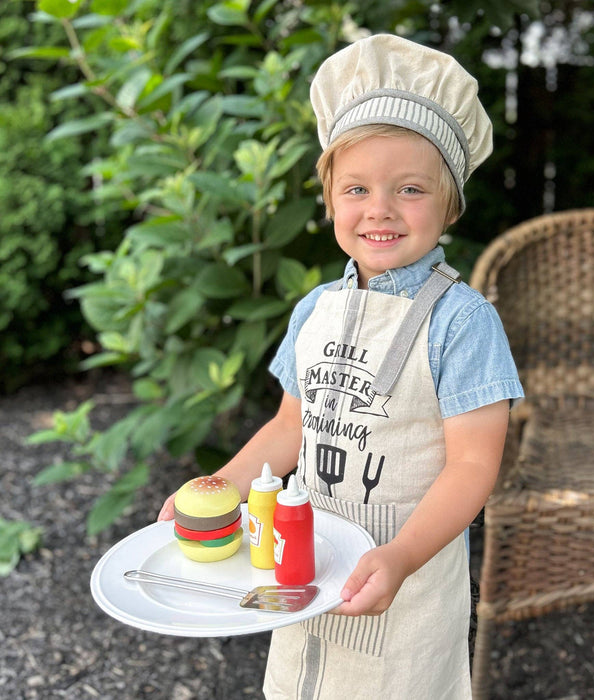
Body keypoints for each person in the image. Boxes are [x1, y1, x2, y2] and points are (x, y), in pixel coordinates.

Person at [158, 33, 524, 698]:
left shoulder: (464, 322)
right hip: (305, 558)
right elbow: (286, 430)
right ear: (330, 200)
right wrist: (221, 486)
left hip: (403, 572)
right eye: (357, 187)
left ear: (448, 206)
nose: (379, 208)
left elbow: (474, 463)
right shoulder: (315, 310)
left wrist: (403, 556)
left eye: (409, 189)